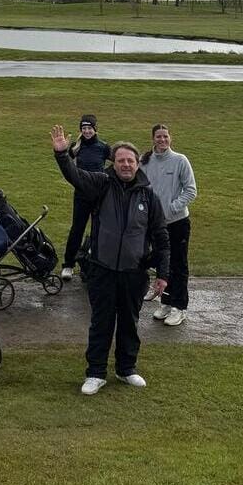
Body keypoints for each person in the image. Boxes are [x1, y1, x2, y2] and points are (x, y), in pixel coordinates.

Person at [51, 125, 170, 395]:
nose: (126, 165)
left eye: (130, 161)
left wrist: (163, 274)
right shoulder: (101, 184)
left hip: (134, 272)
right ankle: (95, 373)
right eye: (120, 161)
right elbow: (75, 176)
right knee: (101, 323)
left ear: (137, 164)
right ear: (113, 163)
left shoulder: (148, 196)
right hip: (102, 270)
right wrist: (61, 155)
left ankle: (126, 369)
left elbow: (161, 237)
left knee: (129, 323)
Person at [140, 123, 198, 327]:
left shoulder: (180, 160)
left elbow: (190, 190)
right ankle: (165, 302)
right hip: (155, 224)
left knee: (178, 265)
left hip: (177, 222)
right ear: (153, 139)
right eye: (158, 136)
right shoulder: (145, 161)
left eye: (165, 136)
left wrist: (171, 209)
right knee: (162, 264)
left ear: (170, 138)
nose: (162, 140)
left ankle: (179, 307)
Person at [60, 114, 111, 282]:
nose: (87, 131)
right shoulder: (76, 147)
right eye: (84, 128)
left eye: (89, 128)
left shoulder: (103, 147)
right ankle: (68, 264)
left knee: (99, 229)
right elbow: (66, 165)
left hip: (99, 196)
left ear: (95, 129)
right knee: (77, 229)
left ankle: (95, 263)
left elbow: (117, 161)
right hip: (81, 195)